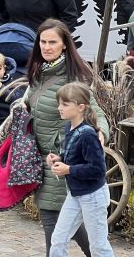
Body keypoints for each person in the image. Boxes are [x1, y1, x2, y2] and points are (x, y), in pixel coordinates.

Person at [23, 19, 108, 255]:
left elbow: (96, 114)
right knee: (67, 224)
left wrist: (100, 132)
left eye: (53, 42)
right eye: (43, 41)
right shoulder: (38, 75)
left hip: (63, 161)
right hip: (42, 160)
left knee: (54, 224)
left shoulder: (73, 80)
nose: (47, 47)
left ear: (64, 45)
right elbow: (29, 106)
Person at [47, 83, 114, 257]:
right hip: (76, 193)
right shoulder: (69, 127)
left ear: (80, 107)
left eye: (65, 104)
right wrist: (58, 160)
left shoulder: (88, 135)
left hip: (93, 196)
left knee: (98, 246)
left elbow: (97, 170)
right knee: (58, 239)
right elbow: (73, 158)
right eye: (59, 103)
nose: (59, 108)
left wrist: (68, 169)